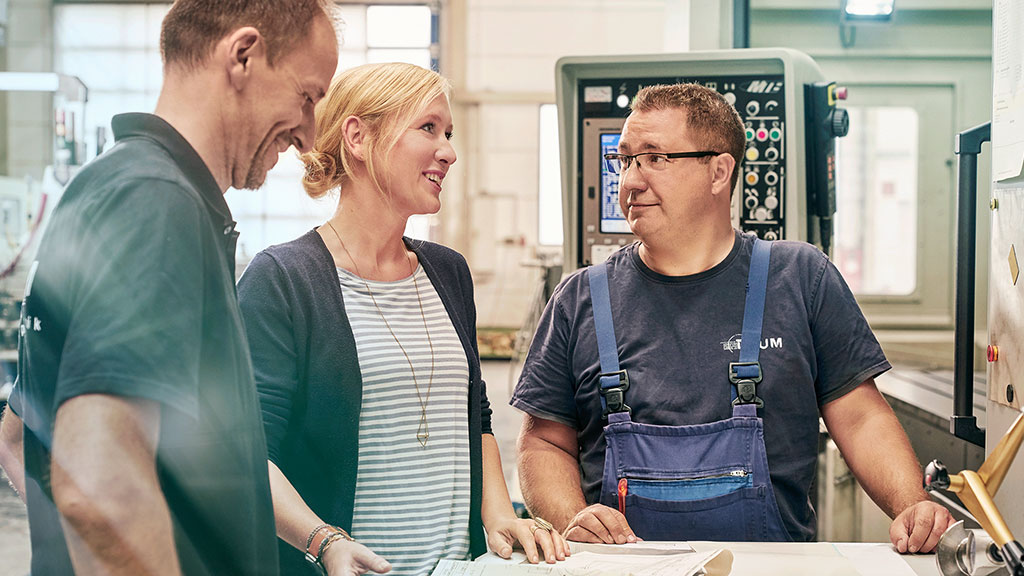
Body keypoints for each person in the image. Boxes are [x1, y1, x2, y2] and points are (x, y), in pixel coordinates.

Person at [512, 83, 953, 553]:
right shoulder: (579, 298)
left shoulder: (801, 278)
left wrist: (912, 504)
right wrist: (572, 518)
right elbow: (543, 444)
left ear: (719, 170)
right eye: (625, 160)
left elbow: (861, 417)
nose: (631, 181)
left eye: (655, 158)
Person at [0, 1, 338, 574]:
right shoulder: (156, 204)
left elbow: (16, 435)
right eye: (307, 97)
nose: (308, 135)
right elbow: (99, 484)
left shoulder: (114, 185)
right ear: (244, 55)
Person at [236, 62, 569, 576]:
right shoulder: (283, 279)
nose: (449, 152)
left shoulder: (447, 271)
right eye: (429, 128)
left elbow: (474, 414)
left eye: (449, 133)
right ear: (358, 137)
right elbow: (249, 452)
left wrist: (499, 513)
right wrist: (324, 542)